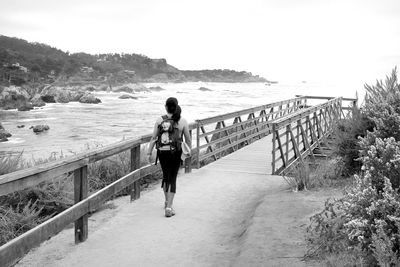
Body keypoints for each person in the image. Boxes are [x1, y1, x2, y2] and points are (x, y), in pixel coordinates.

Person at [147, 97, 191, 217]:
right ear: (176, 107)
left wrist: (149, 153)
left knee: (166, 176)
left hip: (162, 153)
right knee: (173, 178)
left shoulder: (159, 120)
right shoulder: (182, 121)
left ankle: (166, 201)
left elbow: (154, 138)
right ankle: (169, 206)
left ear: (166, 107)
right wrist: (187, 153)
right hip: (176, 153)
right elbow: (187, 139)